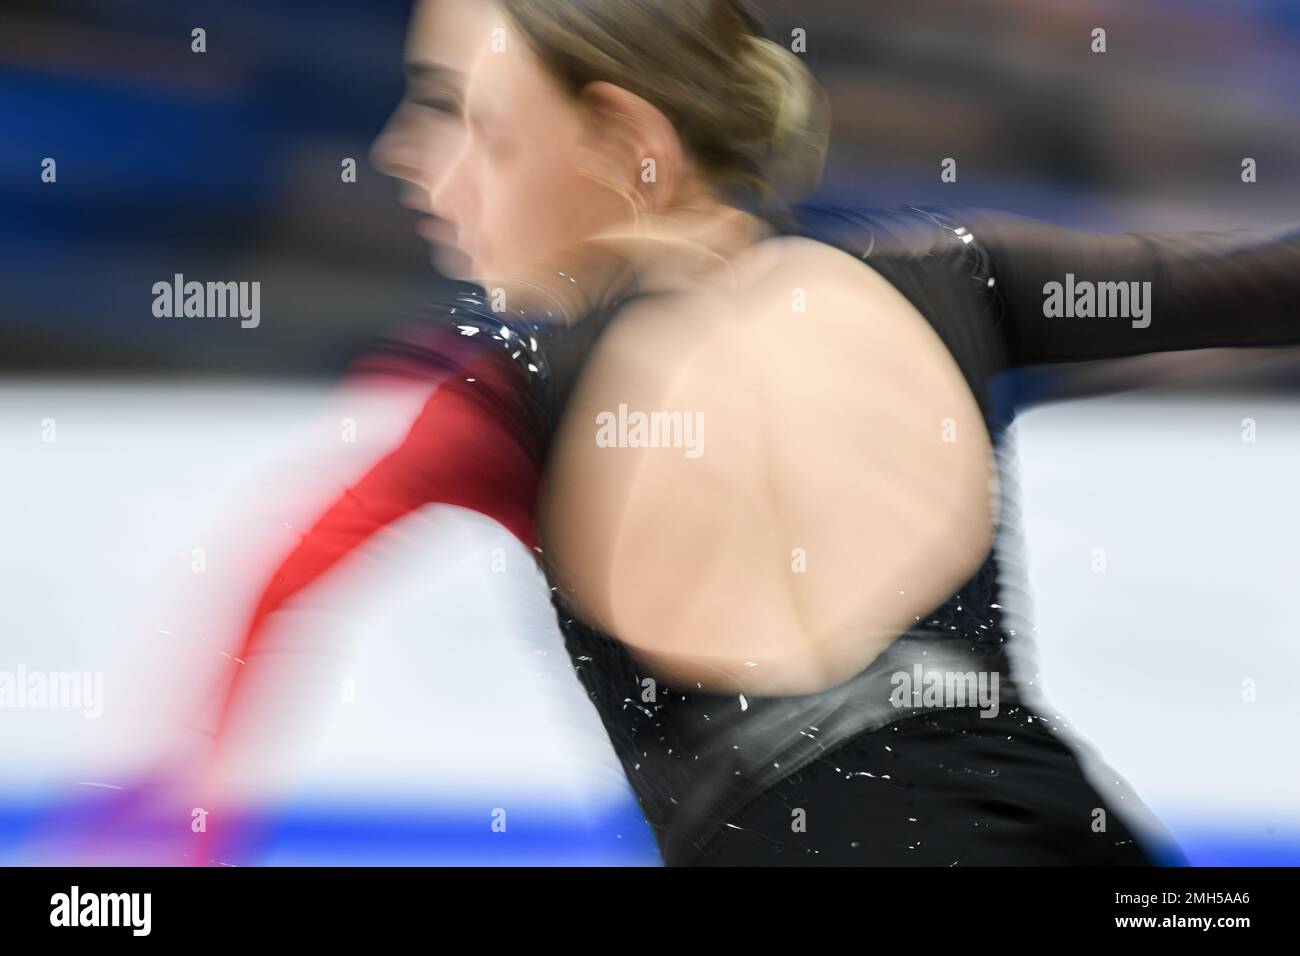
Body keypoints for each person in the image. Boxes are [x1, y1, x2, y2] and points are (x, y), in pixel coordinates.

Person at [207, 0, 1299, 866]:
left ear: (624, 138)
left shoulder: (505, 398)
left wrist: (180, 827)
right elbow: (1267, 285)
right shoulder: (955, 281)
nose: (402, 151)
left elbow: (275, 580)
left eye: (458, 112)